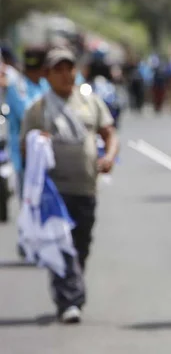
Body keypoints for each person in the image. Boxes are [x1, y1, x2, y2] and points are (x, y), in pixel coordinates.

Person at [20, 46, 119, 323]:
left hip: (86, 186)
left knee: (81, 245)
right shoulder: (37, 109)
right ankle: (69, 300)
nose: (66, 75)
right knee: (61, 243)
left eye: (70, 68)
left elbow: (109, 133)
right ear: (48, 75)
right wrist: (37, 143)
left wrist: (109, 157)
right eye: (58, 70)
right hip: (55, 191)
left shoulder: (90, 102)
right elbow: (25, 148)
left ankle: (71, 288)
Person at [6, 47, 50, 189]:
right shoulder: (18, 86)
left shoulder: (45, 85)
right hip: (25, 156)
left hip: (46, 156)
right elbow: (26, 114)